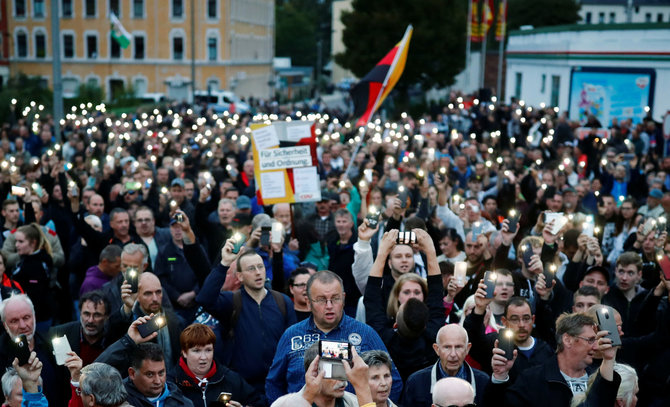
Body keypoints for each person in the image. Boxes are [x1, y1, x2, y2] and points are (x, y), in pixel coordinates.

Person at [265, 270, 402, 403]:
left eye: (335, 298)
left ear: (343, 299)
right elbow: (273, 384)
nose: (329, 306)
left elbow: (393, 381)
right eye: (321, 300)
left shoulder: (365, 333)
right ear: (308, 302)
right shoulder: (292, 335)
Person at [196, 240, 296, 394]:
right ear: (240, 277)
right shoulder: (232, 301)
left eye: (260, 267)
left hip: (278, 384)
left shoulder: (283, 302)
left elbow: (292, 346)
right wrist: (224, 264)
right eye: (251, 268)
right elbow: (205, 299)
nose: (257, 272)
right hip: (242, 387)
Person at [364, 228, 443, 381]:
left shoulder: (384, 339)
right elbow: (436, 294)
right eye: (406, 293)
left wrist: (381, 253)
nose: (411, 298)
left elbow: (371, 297)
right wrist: (431, 251)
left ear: (397, 323)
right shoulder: (433, 335)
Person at [489, 312, 602, 406]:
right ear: (567, 340)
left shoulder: (599, 379)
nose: (596, 346)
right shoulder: (531, 380)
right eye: (591, 340)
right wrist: (500, 377)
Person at [172, 324, 264, 407]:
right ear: (184, 352)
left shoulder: (231, 379)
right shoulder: (170, 383)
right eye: (197, 351)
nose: (203, 357)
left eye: (208, 350)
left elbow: (259, 402)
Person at [401, 324, 489, 407]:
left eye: (458, 347)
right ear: (437, 349)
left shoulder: (483, 382)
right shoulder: (416, 383)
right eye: (447, 347)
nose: (453, 354)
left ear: (467, 349)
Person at [0, 294, 64, 407]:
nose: (23, 325)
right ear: (5, 325)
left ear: (34, 317)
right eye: (14, 321)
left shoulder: (52, 346)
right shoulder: (1, 354)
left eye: (26, 318)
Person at [270, 344, 373, 407]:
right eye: (335, 371)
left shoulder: (355, 402)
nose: (343, 380)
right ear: (314, 372)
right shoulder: (285, 404)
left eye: (344, 371)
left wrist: (363, 390)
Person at [48, 290, 112, 366]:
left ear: (106, 317)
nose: (90, 320)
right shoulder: (59, 333)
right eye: (86, 314)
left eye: (97, 315)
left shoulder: (114, 339)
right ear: (80, 313)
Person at [9, 223, 54, 328]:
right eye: (16, 241)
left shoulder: (37, 265)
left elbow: (35, 297)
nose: (16, 245)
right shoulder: (26, 259)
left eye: (21, 242)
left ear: (33, 243)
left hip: (36, 320)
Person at [125, 342, 193, 407]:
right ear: (132, 373)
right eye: (150, 374)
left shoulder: (185, 404)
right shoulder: (119, 402)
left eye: (161, 373)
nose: (157, 381)